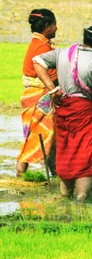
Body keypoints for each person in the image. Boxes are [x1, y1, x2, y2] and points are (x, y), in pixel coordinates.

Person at [32, 26, 92, 202]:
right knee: (86, 158)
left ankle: (64, 198)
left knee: (66, 154)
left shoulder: (63, 53)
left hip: (64, 112)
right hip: (87, 116)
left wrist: (52, 90)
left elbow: (37, 61)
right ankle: (81, 202)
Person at [17, 9, 58, 177]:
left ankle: (54, 171)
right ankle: (21, 173)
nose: (57, 28)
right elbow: (52, 75)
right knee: (38, 136)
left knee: (41, 136)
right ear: (47, 26)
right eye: (54, 24)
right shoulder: (42, 47)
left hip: (33, 96)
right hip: (39, 98)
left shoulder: (39, 43)